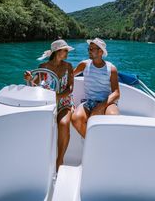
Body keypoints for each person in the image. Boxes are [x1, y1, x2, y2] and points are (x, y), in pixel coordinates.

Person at [24, 39, 74, 171]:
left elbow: (70, 88)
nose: (67, 52)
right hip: (47, 103)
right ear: (57, 51)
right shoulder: (43, 67)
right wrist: (29, 79)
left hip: (64, 102)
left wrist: (57, 97)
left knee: (63, 124)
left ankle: (60, 159)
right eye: (65, 50)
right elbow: (34, 85)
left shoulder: (68, 66)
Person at [72, 38, 120, 138]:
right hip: (89, 101)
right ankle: (92, 142)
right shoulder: (84, 65)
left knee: (113, 119)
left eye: (92, 49)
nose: (89, 51)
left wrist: (101, 106)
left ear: (100, 51)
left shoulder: (111, 68)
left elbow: (116, 93)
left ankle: (102, 143)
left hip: (107, 103)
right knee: (76, 118)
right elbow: (69, 77)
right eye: (88, 49)